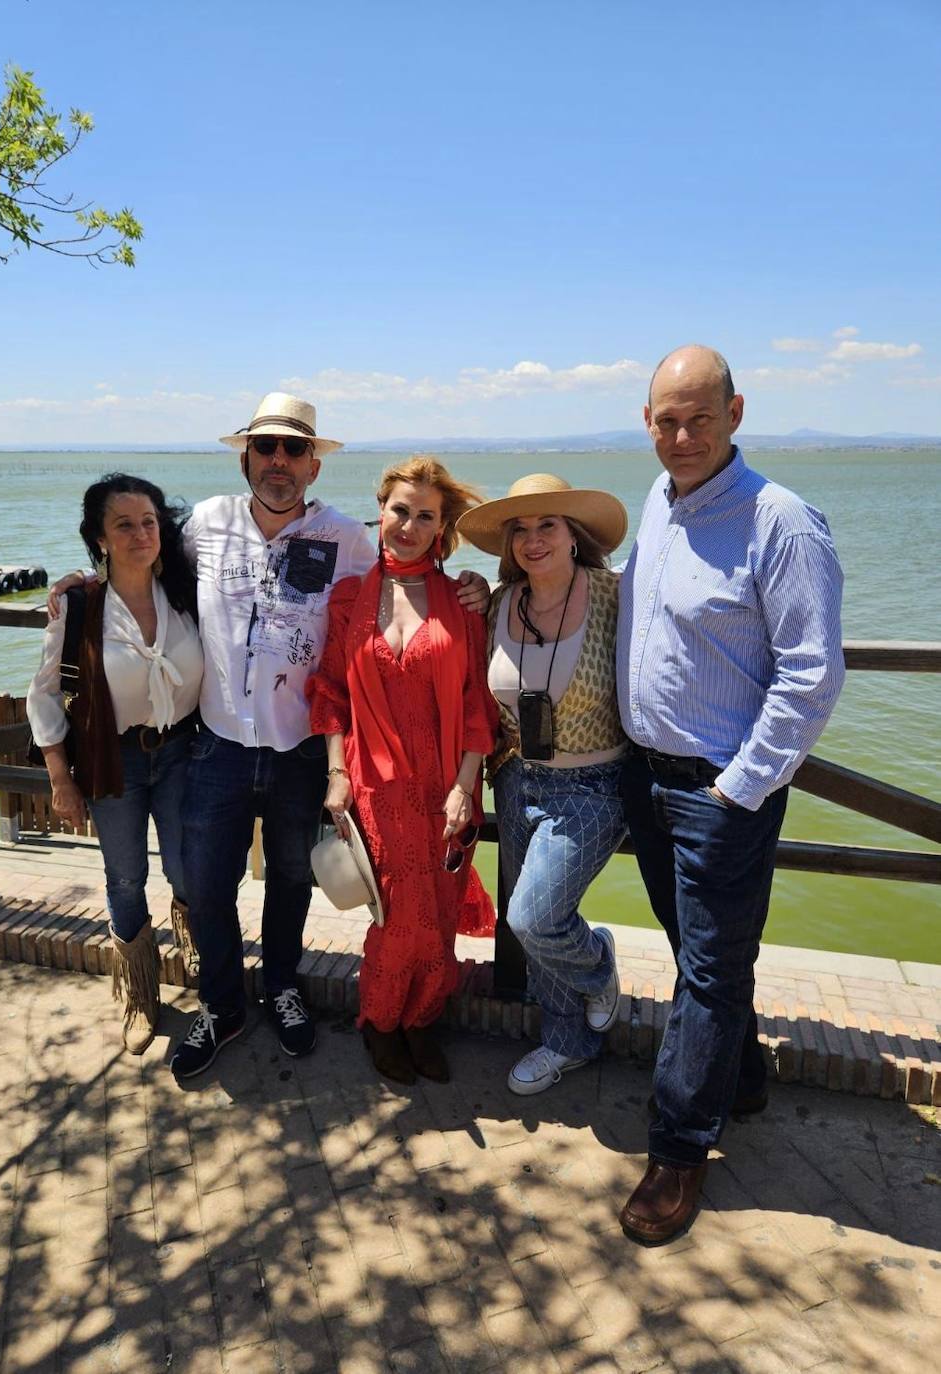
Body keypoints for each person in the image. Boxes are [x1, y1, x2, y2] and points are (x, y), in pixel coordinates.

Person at [163, 395, 490, 1079]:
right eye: (265, 447)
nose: (278, 461)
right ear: (245, 455)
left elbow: (413, 590)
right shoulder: (201, 525)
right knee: (207, 885)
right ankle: (221, 1008)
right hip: (219, 745)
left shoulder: (348, 539)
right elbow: (138, 568)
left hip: (298, 754)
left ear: (313, 465)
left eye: (293, 450)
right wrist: (81, 585)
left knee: (292, 880)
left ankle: (283, 987)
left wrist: (478, 591)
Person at [616, 344, 845, 1243]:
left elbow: (809, 677)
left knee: (705, 976)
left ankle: (677, 1153)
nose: (680, 436)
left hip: (717, 792)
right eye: (665, 420)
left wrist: (738, 788)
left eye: (697, 418)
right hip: (647, 778)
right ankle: (741, 1080)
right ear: (647, 423)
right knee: (698, 953)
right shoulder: (659, 503)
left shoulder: (779, 523)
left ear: (735, 414)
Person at [307, 457, 499, 1085]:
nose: (409, 525)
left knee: (438, 912)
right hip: (373, 784)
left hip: (445, 787)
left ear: (443, 528)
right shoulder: (349, 600)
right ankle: (382, 1021)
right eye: (399, 510)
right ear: (380, 510)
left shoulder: (462, 603)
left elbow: (477, 703)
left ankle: (422, 1019)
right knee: (395, 914)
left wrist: (466, 789)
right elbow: (331, 691)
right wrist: (336, 773)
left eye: (425, 516)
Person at [455, 474, 630, 1096]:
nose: (533, 540)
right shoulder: (500, 602)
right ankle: (567, 1042)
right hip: (515, 776)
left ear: (575, 535)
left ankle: (599, 965)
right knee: (532, 916)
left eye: (547, 525)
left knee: (532, 916)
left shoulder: (616, 595)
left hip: (593, 782)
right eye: (520, 530)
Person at [27, 474, 203, 1053]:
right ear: (99, 539)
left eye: (149, 521)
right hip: (114, 761)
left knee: (187, 869)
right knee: (125, 877)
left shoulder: (185, 595)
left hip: (182, 752)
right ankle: (138, 992)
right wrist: (60, 778)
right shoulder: (81, 608)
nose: (139, 534)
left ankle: (198, 964)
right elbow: (44, 695)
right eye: (123, 524)